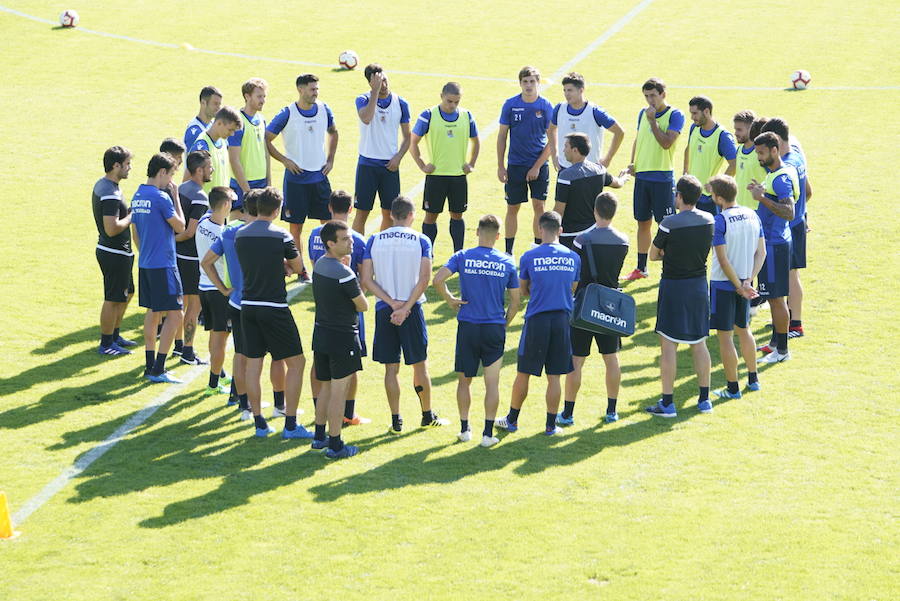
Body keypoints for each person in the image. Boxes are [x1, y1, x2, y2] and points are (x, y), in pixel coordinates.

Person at [360, 196, 447, 433]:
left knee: (391, 368)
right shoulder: (421, 240)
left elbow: (367, 280)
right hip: (412, 308)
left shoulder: (374, 239)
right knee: (419, 365)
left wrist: (392, 303)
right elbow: (425, 279)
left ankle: (396, 419)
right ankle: (427, 415)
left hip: (384, 310)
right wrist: (406, 307)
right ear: (412, 215)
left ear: (390, 215)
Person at [432, 215, 520, 447]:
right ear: (498, 236)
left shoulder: (463, 256)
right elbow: (515, 301)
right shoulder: (507, 262)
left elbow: (438, 279)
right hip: (493, 327)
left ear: (477, 232)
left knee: (464, 381)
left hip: (468, 326)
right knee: (492, 383)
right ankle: (488, 434)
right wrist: (505, 323)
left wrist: (450, 299)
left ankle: (464, 429)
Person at [204, 190, 289, 420]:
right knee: (277, 356)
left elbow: (206, 262)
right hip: (266, 302)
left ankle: (245, 407)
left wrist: (223, 290)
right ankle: (279, 406)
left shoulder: (229, 233)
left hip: (238, 302)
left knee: (242, 356)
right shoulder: (267, 234)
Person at [235, 187, 311, 439]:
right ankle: (290, 424)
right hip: (275, 307)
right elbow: (299, 267)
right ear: (277, 210)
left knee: (253, 366)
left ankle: (259, 424)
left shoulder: (241, 235)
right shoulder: (282, 236)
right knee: (297, 363)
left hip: (248, 307)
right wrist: (285, 265)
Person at [496, 211, 580, 436]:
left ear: (540, 229)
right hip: (562, 320)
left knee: (524, 372)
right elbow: (572, 288)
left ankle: (512, 420)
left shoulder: (529, 257)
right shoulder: (573, 257)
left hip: (537, 320)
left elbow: (523, 290)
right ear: (560, 230)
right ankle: (551, 426)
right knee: (555, 377)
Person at [645, 175, 715, 417]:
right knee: (699, 343)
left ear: (681, 197)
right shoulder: (709, 220)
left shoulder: (668, 223)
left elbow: (653, 256)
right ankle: (705, 399)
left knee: (668, 346)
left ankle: (667, 403)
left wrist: (670, 254)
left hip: (674, 287)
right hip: (698, 287)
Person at [558, 192, 629, 426]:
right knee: (611, 358)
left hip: (584, 307)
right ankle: (611, 411)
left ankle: (568, 413)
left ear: (595, 210)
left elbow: (576, 276)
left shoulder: (581, 240)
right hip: (610, 307)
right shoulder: (623, 241)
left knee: (577, 360)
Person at [265, 73, 338, 283]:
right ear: (300, 90)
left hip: (319, 178)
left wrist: (331, 159)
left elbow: (334, 132)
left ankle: (328, 265)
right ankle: (301, 270)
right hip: (296, 181)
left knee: (328, 225)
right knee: (296, 227)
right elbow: (267, 139)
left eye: (317, 88)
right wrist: (285, 160)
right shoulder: (287, 113)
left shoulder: (324, 109)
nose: (316, 92)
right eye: (312, 89)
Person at [307, 190, 369, 426]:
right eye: (345, 239)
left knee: (324, 388)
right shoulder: (345, 273)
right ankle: (335, 443)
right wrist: (351, 274)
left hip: (321, 331)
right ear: (331, 244)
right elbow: (362, 305)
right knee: (338, 390)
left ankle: (320, 436)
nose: (351, 240)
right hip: (342, 336)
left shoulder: (320, 265)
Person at [706, 175, 766, 399]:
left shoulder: (720, 221)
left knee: (725, 337)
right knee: (745, 330)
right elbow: (762, 253)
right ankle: (753, 379)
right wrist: (748, 281)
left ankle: (733, 388)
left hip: (724, 285)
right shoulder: (753, 215)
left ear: (719, 198)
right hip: (745, 282)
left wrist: (738, 285)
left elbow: (722, 260)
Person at [130, 153, 186, 384]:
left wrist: (146, 252)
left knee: (153, 313)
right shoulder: (162, 197)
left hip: (146, 264)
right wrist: (175, 196)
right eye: (171, 175)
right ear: (162, 172)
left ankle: (149, 363)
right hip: (164, 264)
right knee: (176, 314)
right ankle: (159, 368)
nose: (171, 180)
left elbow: (135, 232)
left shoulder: (137, 195)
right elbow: (181, 227)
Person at [624, 78, 684, 281]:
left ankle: (672, 265)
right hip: (642, 177)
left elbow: (667, 143)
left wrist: (653, 122)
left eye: (653, 96)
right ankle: (641, 268)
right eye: (646, 96)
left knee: (666, 224)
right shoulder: (643, 113)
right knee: (642, 222)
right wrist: (634, 162)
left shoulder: (675, 115)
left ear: (663, 94)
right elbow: (639, 138)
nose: (650, 100)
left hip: (662, 177)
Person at [410, 81, 480, 252]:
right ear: (441, 96)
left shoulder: (466, 115)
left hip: (458, 176)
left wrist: (471, 164)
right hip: (436, 177)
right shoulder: (428, 115)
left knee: (457, 215)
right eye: (449, 101)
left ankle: (458, 253)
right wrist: (421, 164)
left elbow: (476, 141)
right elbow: (413, 142)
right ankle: (428, 254)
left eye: (457, 102)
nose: (453, 105)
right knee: (431, 216)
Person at [748, 132, 799, 365]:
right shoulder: (777, 173)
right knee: (772, 298)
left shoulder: (780, 178)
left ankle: (783, 350)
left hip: (775, 244)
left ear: (774, 150)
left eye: (761, 152)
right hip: (775, 242)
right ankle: (775, 343)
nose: (758, 157)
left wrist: (762, 198)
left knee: (777, 299)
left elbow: (789, 212)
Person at [761, 117, 812, 340]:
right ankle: (791, 320)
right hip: (798, 222)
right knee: (793, 275)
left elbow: (786, 205)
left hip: (787, 228)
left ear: (778, 143)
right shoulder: (798, 157)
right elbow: (808, 191)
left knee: (788, 278)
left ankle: (793, 324)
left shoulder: (785, 168)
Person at [497, 66, 554, 255]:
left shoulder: (545, 106)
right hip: (515, 165)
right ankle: (508, 251)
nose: (528, 85)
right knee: (512, 207)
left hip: (539, 165)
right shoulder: (510, 105)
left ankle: (538, 247)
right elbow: (502, 136)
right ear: (520, 83)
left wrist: (537, 167)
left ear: (538, 83)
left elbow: (551, 140)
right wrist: (500, 166)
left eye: (532, 81)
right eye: (525, 81)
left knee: (539, 206)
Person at [353, 64, 411, 234]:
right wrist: (375, 92)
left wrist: (398, 157)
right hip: (367, 165)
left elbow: (408, 136)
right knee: (362, 211)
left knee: (389, 213)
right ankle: (357, 253)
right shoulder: (363, 100)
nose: (383, 84)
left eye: (385, 80)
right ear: (370, 83)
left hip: (390, 166)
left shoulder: (401, 103)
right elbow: (367, 118)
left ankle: (380, 249)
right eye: (378, 82)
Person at [93, 146, 136, 356]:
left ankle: (115, 335)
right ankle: (106, 343)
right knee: (113, 298)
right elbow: (111, 229)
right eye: (127, 164)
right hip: (114, 252)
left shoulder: (110, 186)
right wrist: (131, 216)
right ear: (115, 165)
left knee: (126, 294)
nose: (130, 168)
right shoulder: (109, 192)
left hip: (121, 252)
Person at [552, 132, 628, 249]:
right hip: (591, 233)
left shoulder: (565, 176)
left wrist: (551, 234)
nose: (563, 150)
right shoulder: (599, 170)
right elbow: (616, 183)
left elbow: (559, 211)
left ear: (575, 150)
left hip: (568, 236)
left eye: (566, 146)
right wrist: (623, 178)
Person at [174, 150, 212, 365]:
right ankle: (188, 351)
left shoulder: (180, 189)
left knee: (180, 304)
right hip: (190, 259)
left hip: (177, 257)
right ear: (199, 171)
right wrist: (176, 240)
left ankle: (179, 346)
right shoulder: (200, 197)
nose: (212, 170)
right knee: (194, 306)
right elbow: (190, 232)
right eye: (209, 167)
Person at [196, 187, 235, 396]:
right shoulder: (222, 235)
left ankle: (218, 373)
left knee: (215, 334)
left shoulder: (203, 221)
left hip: (203, 287)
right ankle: (213, 384)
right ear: (226, 205)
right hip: (218, 291)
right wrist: (224, 289)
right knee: (221, 339)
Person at [549, 72, 624, 171]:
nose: (566, 94)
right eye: (565, 90)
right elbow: (550, 130)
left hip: (590, 170)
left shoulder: (595, 112)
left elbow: (619, 132)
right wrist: (554, 155)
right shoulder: (559, 109)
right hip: (564, 167)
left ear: (581, 90)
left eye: (570, 90)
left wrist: (607, 159)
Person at [683, 96, 737, 216]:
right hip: (691, 191)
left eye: (695, 113)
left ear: (706, 111)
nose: (692, 117)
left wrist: (717, 185)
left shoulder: (723, 136)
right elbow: (688, 148)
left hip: (708, 197)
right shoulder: (694, 128)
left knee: (709, 234)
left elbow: (735, 164)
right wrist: (685, 171)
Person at [228, 78, 271, 209]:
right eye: (259, 96)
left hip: (261, 182)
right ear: (247, 96)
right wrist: (246, 191)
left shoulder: (261, 120)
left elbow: (266, 153)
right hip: (243, 184)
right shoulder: (238, 123)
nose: (263, 100)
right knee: (239, 222)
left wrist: (268, 181)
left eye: (264, 96)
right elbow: (233, 159)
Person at [188, 106, 242, 193]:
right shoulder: (202, 145)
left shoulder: (224, 142)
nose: (232, 134)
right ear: (219, 123)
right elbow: (188, 178)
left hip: (221, 203)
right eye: (230, 130)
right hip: (206, 204)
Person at [732, 111, 767, 209]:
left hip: (757, 209)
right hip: (739, 208)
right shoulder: (739, 150)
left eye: (739, 130)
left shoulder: (761, 153)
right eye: (735, 129)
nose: (735, 133)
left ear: (751, 129)